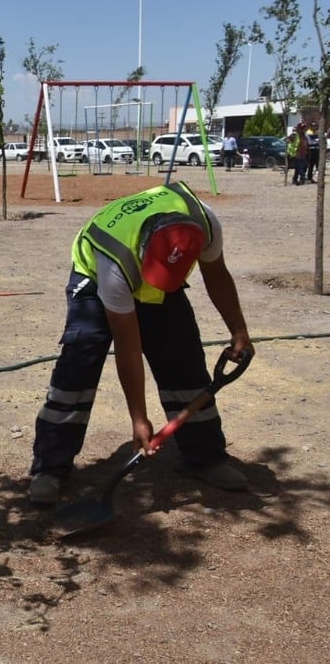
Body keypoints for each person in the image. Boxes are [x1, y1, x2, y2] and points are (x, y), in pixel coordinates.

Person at [28, 181, 254, 505]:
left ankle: (205, 457)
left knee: (182, 356)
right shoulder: (115, 261)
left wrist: (239, 330)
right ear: (146, 249)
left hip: (155, 274)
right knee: (79, 363)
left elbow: (216, 274)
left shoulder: (204, 222)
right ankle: (49, 468)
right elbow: (129, 347)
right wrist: (139, 417)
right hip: (95, 277)